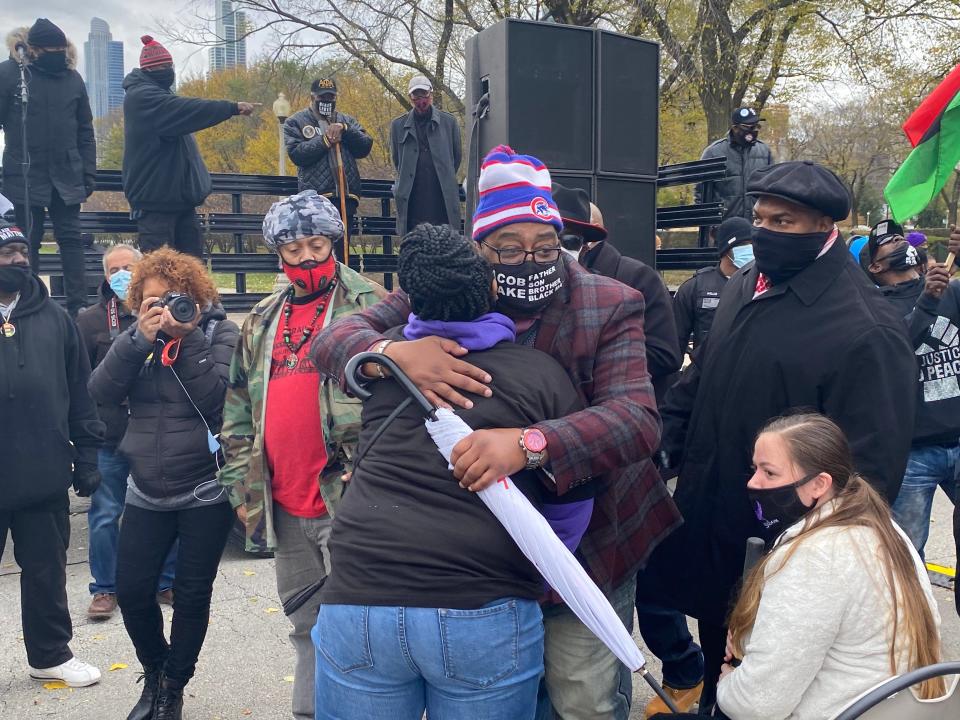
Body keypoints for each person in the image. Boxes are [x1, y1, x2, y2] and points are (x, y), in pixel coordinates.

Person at [313, 145, 681, 720]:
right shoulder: (446, 286)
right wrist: (391, 352)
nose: (527, 259)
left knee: (582, 695)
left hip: (586, 539)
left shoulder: (608, 302)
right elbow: (334, 340)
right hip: (479, 556)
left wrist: (530, 444)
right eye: (507, 248)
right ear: (480, 249)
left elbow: (636, 420)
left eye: (543, 246)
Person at [653, 160, 917, 712]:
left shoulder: (865, 328)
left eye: (784, 221)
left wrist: (804, 554)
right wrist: (658, 444)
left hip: (783, 555)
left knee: (766, 695)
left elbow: (870, 472)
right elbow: (701, 380)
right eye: (759, 217)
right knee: (719, 677)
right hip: (715, 526)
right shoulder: (746, 283)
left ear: (825, 226)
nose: (764, 232)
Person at [314, 223, 596, 719]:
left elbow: (333, 342)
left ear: (409, 301)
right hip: (483, 604)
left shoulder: (380, 369)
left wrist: (384, 353)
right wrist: (543, 574)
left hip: (359, 596)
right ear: (492, 288)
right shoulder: (540, 376)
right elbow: (576, 495)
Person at [217, 190, 384, 720]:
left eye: (318, 244)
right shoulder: (262, 318)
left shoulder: (373, 305)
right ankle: (310, 711)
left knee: (365, 625)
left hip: (353, 497)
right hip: (284, 505)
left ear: (334, 242)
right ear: (278, 253)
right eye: (295, 248)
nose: (308, 256)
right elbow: (238, 409)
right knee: (305, 624)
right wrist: (242, 490)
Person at [88, 248, 239, 720]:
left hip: (204, 488)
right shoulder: (135, 339)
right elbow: (100, 392)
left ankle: (173, 686)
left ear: (195, 296)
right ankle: (154, 672)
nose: (163, 309)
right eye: (150, 301)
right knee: (132, 593)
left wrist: (186, 342)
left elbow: (219, 402)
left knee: (192, 595)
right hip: (145, 488)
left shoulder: (219, 332)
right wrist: (137, 341)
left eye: (173, 298)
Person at [714, 414, 942, 720]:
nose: (753, 482)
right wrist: (747, 637)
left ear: (819, 484)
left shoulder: (816, 557)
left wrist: (727, 683)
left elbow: (758, 704)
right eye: (754, 468)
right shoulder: (883, 527)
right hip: (901, 706)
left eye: (769, 472)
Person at [0, 220, 104, 687]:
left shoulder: (55, 317)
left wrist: (87, 455)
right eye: (7, 253)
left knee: (46, 571)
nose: (18, 260)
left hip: (42, 473)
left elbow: (80, 391)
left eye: (22, 251)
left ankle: (50, 655)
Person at [76, 244, 178, 620]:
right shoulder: (89, 321)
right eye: (113, 270)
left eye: (128, 267)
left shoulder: (169, 311)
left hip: (158, 433)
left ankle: (166, 581)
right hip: (111, 435)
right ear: (105, 277)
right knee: (105, 513)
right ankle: (105, 588)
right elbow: (81, 382)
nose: (121, 275)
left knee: (169, 509)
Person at [863, 220, 958, 559]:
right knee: (906, 554)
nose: (901, 243)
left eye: (902, 238)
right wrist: (927, 303)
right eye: (889, 242)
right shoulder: (871, 308)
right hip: (913, 453)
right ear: (875, 266)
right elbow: (894, 349)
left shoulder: (950, 289)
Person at [122, 35, 256, 257]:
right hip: (155, 205)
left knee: (193, 271)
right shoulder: (143, 98)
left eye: (170, 65)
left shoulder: (158, 96)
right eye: (163, 66)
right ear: (149, 70)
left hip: (180, 202)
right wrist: (231, 107)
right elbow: (189, 109)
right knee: (161, 273)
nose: (169, 70)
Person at [1, 19, 96, 317]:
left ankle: (78, 304)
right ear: (33, 49)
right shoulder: (10, 74)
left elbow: (85, 130)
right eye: (50, 49)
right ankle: (28, 301)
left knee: (71, 239)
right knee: (28, 239)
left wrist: (88, 172)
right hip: (24, 171)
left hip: (66, 173)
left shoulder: (73, 78)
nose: (57, 53)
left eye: (60, 48)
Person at [553, 183, 681, 404]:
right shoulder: (542, 283)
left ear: (587, 241)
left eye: (570, 239)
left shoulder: (638, 277)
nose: (557, 249)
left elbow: (666, 354)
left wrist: (604, 361)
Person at [284, 78, 373, 246]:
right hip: (315, 200)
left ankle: (341, 273)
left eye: (330, 97)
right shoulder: (295, 121)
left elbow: (365, 147)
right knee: (319, 248)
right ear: (312, 97)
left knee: (342, 250)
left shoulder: (348, 121)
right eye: (322, 97)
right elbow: (296, 154)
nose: (326, 101)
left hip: (346, 198)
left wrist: (346, 131)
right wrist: (325, 140)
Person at [390, 75, 462, 234]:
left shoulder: (449, 123)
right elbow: (397, 160)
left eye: (424, 95)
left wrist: (444, 176)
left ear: (431, 94)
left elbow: (456, 158)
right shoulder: (398, 125)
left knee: (445, 245)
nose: (421, 100)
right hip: (413, 200)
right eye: (416, 96)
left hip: (442, 199)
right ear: (410, 98)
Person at [673, 216, 754, 358]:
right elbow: (675, 344)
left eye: (752, 244)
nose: (750, 250)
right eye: (744, 244)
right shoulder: (695, 287)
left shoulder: (763, 284)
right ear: (726, 249)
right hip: (708, 373)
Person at [695, 107, 773, 242]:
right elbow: (701, 194)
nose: (753, 131)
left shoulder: (764, 151)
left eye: (756, 126)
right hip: (724, 230)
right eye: (748, 127)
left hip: (756, 229)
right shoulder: (714, 152)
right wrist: (711, 227)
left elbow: (771, 190)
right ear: (735, 128)